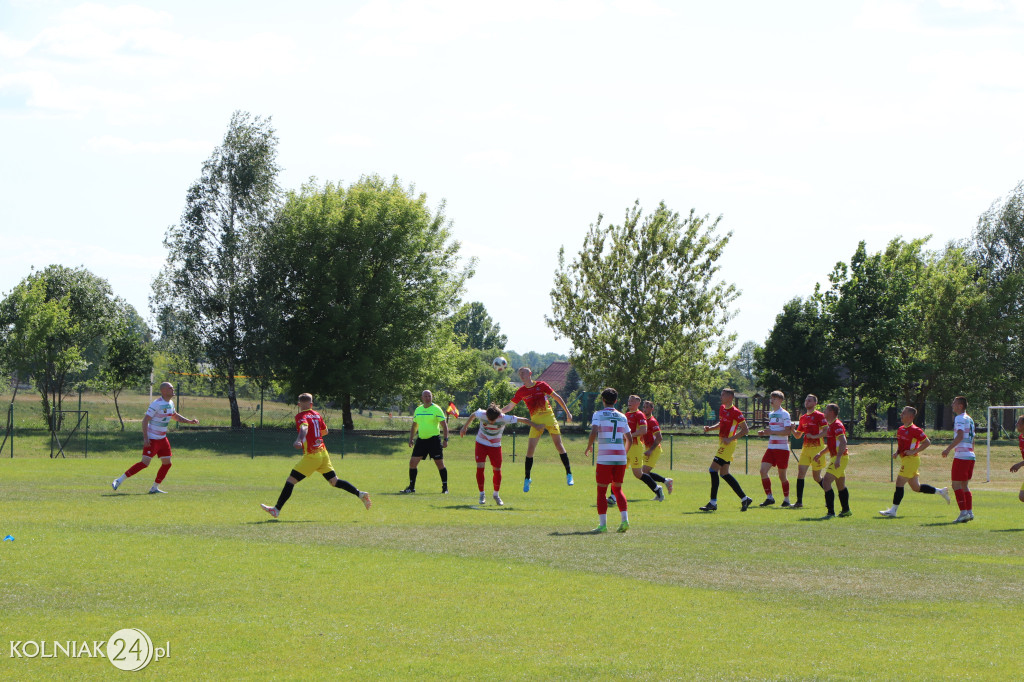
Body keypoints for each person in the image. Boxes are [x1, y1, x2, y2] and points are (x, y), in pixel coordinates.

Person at [260, 394, 371, 518]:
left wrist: (300, 440)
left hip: (312, 456)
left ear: (299, 405)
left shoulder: (301, 416)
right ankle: (360, 494)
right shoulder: (317, 414)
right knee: (334, 481)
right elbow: (325, 431)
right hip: (323, 453)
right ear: (311, 404)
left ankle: (276, 509)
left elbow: (304, 427)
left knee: (291, 480)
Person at [111, 382, 198, 494]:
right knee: (144, 463)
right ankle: (119, 480)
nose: (173, 390)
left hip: (163, 439)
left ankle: (154, 488)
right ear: (164, 391)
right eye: (170, 388)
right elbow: (145, 420)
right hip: (152, 439)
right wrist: (146, 438)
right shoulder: (156, 404)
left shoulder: (170, 403)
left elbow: (174, 415)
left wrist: (189, 421)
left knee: (167, 463)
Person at [501, 367, 574, 492]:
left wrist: (568, 413)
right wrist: (497, 412)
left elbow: (557, 397)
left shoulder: (541, 385)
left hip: (549, 418)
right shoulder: (521, 391)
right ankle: (527, 478)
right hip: (535, 421)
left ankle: (569, 474)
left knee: (559, 446)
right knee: (530, 450)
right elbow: (510, 406)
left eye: (523, 373)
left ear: (530, 373)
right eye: (520, 374)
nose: (522, 375)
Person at [460, 403, 543, 506]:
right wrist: (464, 427)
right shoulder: (482, 414)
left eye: (493, 420)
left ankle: (496, 495)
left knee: (497, 469)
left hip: (495, 446)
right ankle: (482, 494)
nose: (491, 422)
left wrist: (536, 426)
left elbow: (523, 420)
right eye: (489, 420)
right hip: (481, 443)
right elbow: (473, 414)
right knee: (480, 467)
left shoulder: (504, 417)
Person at [879, 406, 950, 517]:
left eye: (904, 413)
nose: (901, 415)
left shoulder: (915, 430)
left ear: (911, 417)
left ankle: (893, 510)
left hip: (911, 460)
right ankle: (940, 491)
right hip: (906, 460)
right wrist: (897, 452)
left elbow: (927, 442)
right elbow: (901, 445)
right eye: (901, 413)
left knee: (899, 483)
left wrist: (914, 451)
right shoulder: (901, 429)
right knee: (916, 488)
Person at [584, 387, 631, 533]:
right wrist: (624, 453)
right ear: (616, 401)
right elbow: (629, 439)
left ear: (603, 400)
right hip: (620, 459)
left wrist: (589, 445)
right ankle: (625, 521)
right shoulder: (622, 416)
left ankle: (602, 525)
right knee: (617, 489)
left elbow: (594, 431)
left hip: (605, 458)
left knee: (601, 491)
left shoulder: (598, 414)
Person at [699, 388, 753, 512]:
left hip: (728, 444)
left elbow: (746, 430)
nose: (721, 397)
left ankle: (713, 503)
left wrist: (730, 439)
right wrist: (709, 428)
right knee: (724, 473)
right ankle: (745, 499)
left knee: (712, 470)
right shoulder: (722, 408)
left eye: (723, 395)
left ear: (730, 397)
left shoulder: (736, 412)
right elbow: (721, 424)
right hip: (723, 443)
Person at [401, 390, 450, 494]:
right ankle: (411, 487)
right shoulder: (418, 409)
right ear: (422, 397)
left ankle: (445, 488)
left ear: (431, 397)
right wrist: (411, 438)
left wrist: (446, 439)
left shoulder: (436, 409)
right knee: (412, 463)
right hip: (421, 440)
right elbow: (414, 425)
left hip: (434, 440)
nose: (428, 398)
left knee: (440, 464)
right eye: (426, 396)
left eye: (429, 396)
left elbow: (444, 425)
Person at [941, 396, 976, 523]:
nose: (952, 405)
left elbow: (960, 435)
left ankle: (963, 513)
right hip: (970, 455)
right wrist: (971, 452)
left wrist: (948, 449)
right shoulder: (970, 419)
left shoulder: (960, 418)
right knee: (964, 485)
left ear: (960, 406)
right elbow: (972, 440)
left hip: (962, 456)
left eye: (954, 403)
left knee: (955, 484)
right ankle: (969, 512)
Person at [624, 395, 666, 501]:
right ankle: (613, 496)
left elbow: (643, 431)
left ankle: (657, 488)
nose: (629, 402)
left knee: (639, 473)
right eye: (629, 400)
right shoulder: (626, 415)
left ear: (638, 403)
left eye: (632, 401)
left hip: (636, 447)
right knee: (618, 469)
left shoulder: (640, 415)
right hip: (625, 446)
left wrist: (629, 435)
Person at [814, 403, 852, 518]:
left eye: (826, 410)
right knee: (840, 485)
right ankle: (846, 510)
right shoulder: (831, 425)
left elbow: (843, 442)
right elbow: (832, 445)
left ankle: (830, 513)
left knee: (826, 482)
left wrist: (838, 459)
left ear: (831, 412)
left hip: (840, 457)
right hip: (837, 457)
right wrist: (820, 453)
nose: (824, 412)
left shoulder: (837, 425)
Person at [791, 394, 828, 509]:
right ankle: (799, 502)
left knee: (816, 477)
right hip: (805, 449)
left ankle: (829, 494)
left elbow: (826, 431)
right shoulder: (802, 418)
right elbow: (798, 436)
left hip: (817, 449)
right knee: (800, 473)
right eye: (806, 400)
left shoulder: (819, 415)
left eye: (810, 401)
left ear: (815, 403)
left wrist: (814, 436)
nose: (807, 402)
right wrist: (792, 430)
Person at [757, 390, 793, 507]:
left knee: (782, 476)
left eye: (775, 398)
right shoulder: (771, 414)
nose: (772, 400)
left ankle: (786, 500)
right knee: (763, 471)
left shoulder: (785, 414)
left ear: (781, 401)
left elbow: (788, 431)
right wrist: (764, 433)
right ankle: (769, 497)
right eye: (771, 398)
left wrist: (772, 431)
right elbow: (773, 431)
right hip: (771, 448)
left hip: (782, 449)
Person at [641, 400, 673, 495]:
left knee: (644, 472)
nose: (645, 409)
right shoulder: (643, 420)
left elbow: (659, 437)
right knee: (641, 473)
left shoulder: (652, 421)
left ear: (652, 409)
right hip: (647, 449)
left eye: (647, 407)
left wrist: (651, 450)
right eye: (644, 407)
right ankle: (665, 482)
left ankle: (660, 489)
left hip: (654, 450)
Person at [1010, 415, 1024, 504]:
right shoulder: (1021, 438)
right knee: (1022, 496)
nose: (1016, 424)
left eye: (1018, 423)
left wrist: (1019, 464)